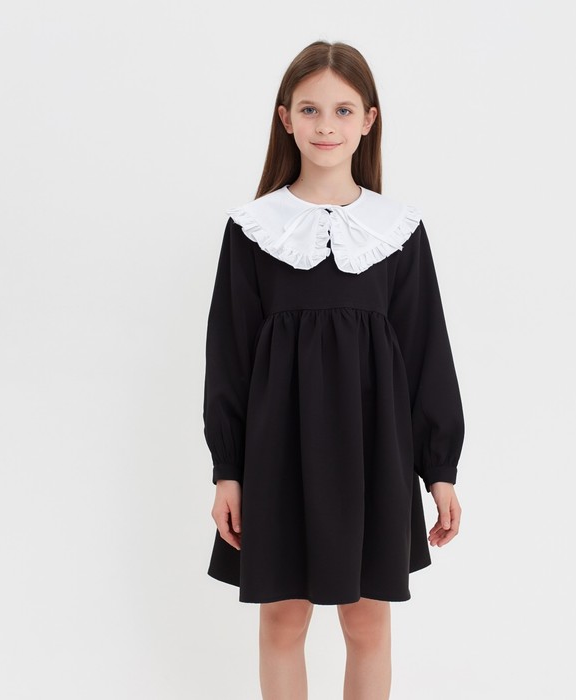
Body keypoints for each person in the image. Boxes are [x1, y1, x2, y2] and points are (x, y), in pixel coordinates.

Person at [202, 40, 465, 699]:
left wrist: (440, 470)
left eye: (343, 110)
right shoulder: (253, 229)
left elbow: (426, 353)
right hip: (277, 455)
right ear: (285, 118)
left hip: (374, 455)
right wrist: (228, 470)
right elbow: (228, 357)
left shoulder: (397, 231)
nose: (326, 126)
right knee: (283, 620)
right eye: (310, 109)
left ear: (369, 120)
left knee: (368, 622)